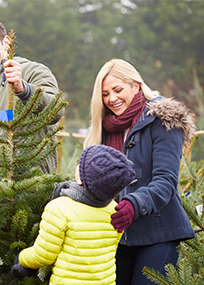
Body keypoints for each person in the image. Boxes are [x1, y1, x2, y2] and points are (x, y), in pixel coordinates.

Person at [83, 58, 196, 285]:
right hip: (116, 236)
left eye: (117, 89)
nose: (112, 99)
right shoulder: (104, 128)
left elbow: (165, 181)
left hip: (159, 234)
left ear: (136, 85)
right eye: (105, 94)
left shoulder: (163, 120)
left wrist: (134, 203)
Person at [11, 145, 136, 285]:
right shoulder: (116, 211)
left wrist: (21, 259)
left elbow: (44, 255)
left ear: (81, 180)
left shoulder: (60, 208)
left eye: (80, 165)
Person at [0, 18, 65, 177]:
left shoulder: (31, 71)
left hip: (23, 192)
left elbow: (55, 110)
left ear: (6, 42)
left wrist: (23, 89)